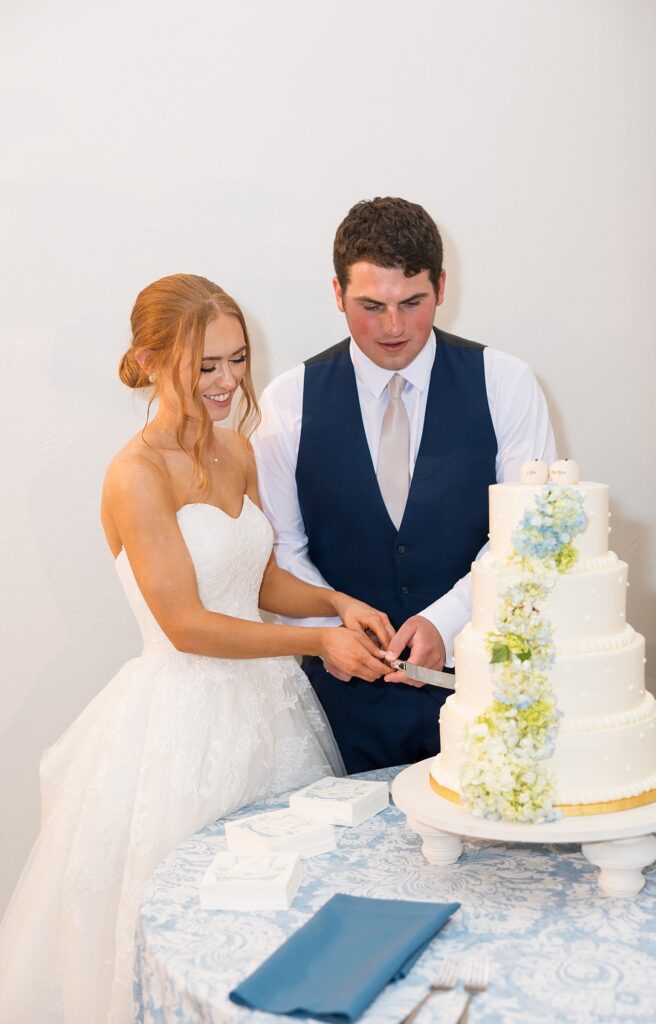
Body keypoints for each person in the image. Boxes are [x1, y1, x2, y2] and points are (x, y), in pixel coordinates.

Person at [0, 274, 393, 1024]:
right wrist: (318, 644)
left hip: (269, 710)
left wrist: (337, 602)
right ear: (149, 362)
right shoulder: (134, 475)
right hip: (178, 725)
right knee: (195, 925)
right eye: (204, 366)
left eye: (236, 361)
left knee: (285, 909)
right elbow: (185, 622)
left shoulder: (234, 450)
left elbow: (258, 578)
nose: (226, 382)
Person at [253, 196, 557, 774]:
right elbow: (281, 549)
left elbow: (525, 537)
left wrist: (445, 621)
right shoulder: (287, 401)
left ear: (441, 287)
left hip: (484, 692)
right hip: (339, 705)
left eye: (412, 303)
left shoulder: (507, 383)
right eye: (371, 305)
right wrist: (332, 635)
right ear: (337, 295)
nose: (393, 327)